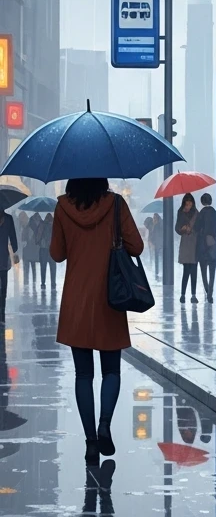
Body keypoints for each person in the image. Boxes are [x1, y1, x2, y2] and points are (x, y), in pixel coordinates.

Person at [50, 177, 143, 464]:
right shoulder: (115, 204)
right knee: (111, 371)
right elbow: (137, 247)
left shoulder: (63, 207)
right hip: (109, 298)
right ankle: (105, 423)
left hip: (77, 301)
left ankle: (90, 441)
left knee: (83, 375)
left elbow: (57, 253)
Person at [175, 193, 200, 303]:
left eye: (190, 202)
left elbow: (200, 227)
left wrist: (193, 230)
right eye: (187, 202)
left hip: (195, 243)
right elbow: (176, 228)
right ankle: (183, 295)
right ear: (184, 202)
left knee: (194, 270)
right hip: (185, 242)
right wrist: (183, 228)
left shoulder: (196, 213)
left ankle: (193, 295)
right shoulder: (180, 213)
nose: (189, 204)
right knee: (186, 271)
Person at [196, 192, 216, 302]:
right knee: (212, 272)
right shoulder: (215, 213)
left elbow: (196, 228)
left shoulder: (201, 214)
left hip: (202, 247)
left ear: (202, 201)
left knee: (203, 271)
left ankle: (207, 291)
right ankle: (210, 292)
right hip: (213, 247)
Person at [0, 209, 18, 318]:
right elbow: (13, 238)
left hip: (3, 257)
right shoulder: (8, 219)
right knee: (4, 283)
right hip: (3, 256)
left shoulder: (8, 219)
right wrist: (14, 249)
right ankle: (2, 307)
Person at [38, 210, 57, 293]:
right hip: (53, 249)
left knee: (43, 267)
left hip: (43, 249)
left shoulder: (42, 225)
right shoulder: (55, 226)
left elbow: (37, 238)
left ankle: (43, 283)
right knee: (53, 267)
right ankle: (53, 283)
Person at [22, 211, 40, 289]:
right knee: (33, 267)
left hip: (27, 251)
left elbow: (23, 238)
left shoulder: (27, 227)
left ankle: (27, 282)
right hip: (33, 251)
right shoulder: (38, 227)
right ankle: (33, 282)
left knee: (27, 268)